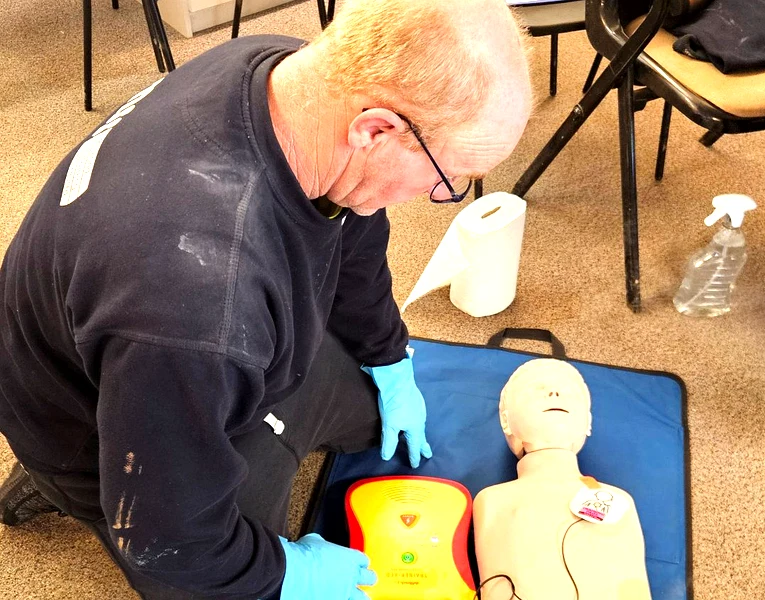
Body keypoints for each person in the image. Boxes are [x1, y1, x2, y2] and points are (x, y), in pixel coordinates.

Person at [0, 0, 534, 598]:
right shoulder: (196, 303)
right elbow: (176, 539)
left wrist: (389, 360)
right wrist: (289, 573)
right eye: (446, 176)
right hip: (95, 429)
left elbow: (351, 237)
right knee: (206, 569)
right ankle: (61, 489)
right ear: (376, 129)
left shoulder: (297, 80)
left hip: (161, 354)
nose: (442, 192)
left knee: (372, 417)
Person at [473, 359, 651, 600]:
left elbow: (634, 585)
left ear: (588, 422)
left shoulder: (620, 501)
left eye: (570, 393)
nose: (554, 393)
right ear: (506, 421)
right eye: (535, 389)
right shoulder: (493, 500)